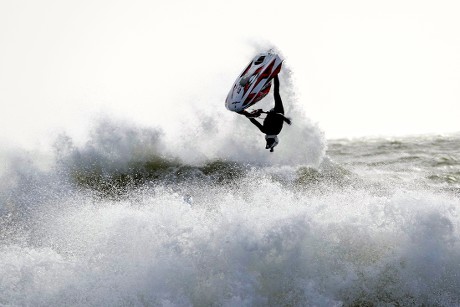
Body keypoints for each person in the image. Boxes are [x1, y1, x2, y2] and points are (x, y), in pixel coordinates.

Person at [239, 75, 291, 152]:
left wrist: (285, 119)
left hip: (277, 112)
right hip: (277, 111)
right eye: (268, 141)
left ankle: (275, 75)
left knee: (276, 92)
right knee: (276, 93)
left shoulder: (272, 131)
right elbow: (253, 120)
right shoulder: (266, 131)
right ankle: (274, 75)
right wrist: (244, 113)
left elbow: (253, 120)